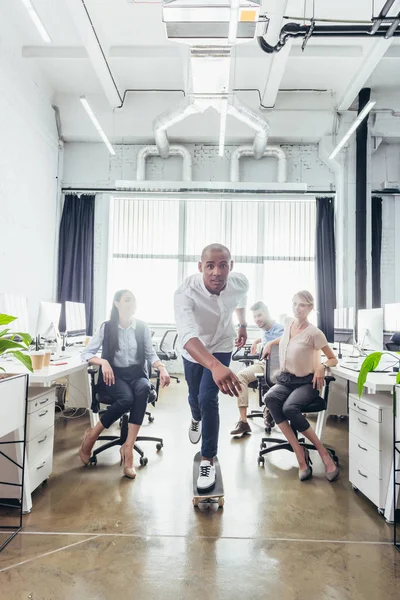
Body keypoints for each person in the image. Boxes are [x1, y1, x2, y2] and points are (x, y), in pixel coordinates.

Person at [174, 243, 249, 491]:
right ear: (200, 267)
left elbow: (241, 297)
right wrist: (214, 366)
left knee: (208, 398)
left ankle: (208, 458)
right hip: (194, 349)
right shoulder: (185, 292)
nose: (217, 272)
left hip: (222, 343)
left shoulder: (239, 282)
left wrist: (242, 325)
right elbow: (186, 334)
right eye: (210, 266)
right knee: (195, 398)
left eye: (223, 265)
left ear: (231, 266)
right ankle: (195, 418)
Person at [79, 290, 170, 479]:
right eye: (127, 299)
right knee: (127, 398)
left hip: (136, 374)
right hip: (114, 376)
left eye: (134, 300)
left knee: (144, 388)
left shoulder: (142, 327)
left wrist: (162, 367)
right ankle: (92, 435)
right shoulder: (107, 327)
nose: (132, 303)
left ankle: (128, 448)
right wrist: (103, 362)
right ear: (117, 303)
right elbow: (86, 353)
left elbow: (150, 353)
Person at [263, 290, 339, 482]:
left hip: (306, 382)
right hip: (286, 380)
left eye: (302, 305)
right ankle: (299, 450)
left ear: (310, 308)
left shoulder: (315, 333)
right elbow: (287, 340)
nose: (298, 308)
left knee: (290, 408)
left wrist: (322, 365)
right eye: (295, 303)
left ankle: (323, 454)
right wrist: (269, 343)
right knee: (270, 398)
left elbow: (332, 358)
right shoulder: (289, 324)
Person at [230, 302, 284, 435]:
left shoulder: (281, 328)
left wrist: (270, 343)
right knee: (240, 376)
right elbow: (266, 335)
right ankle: (243, 422)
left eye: (259, 315)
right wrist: (256, 341)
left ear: (267, 313)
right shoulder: (265, 329)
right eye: (254, 317)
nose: (257, 319)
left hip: (278, 367)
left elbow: (289, 337)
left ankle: (269, 408)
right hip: (263, 365)